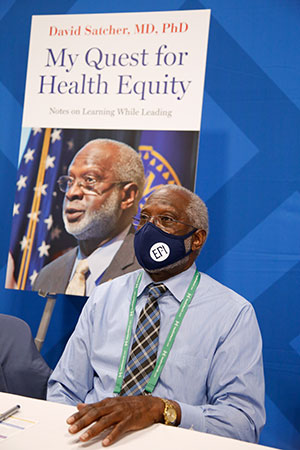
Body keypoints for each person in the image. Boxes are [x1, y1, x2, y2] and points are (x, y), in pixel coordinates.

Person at [47, 185, 265, 446]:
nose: (149, 229)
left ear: (197, 239)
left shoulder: (232, 314)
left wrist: (162, 410)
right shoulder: (104, 296)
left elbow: (243, 423)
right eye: (144, 218)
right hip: (94, 440)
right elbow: (63, 389)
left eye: (166, 220)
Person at [33, 138, 145, 296]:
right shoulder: (47, 276)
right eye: (70, 181)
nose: (72, 193)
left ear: (127, 196)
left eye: (90, 180)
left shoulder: (149, 272)